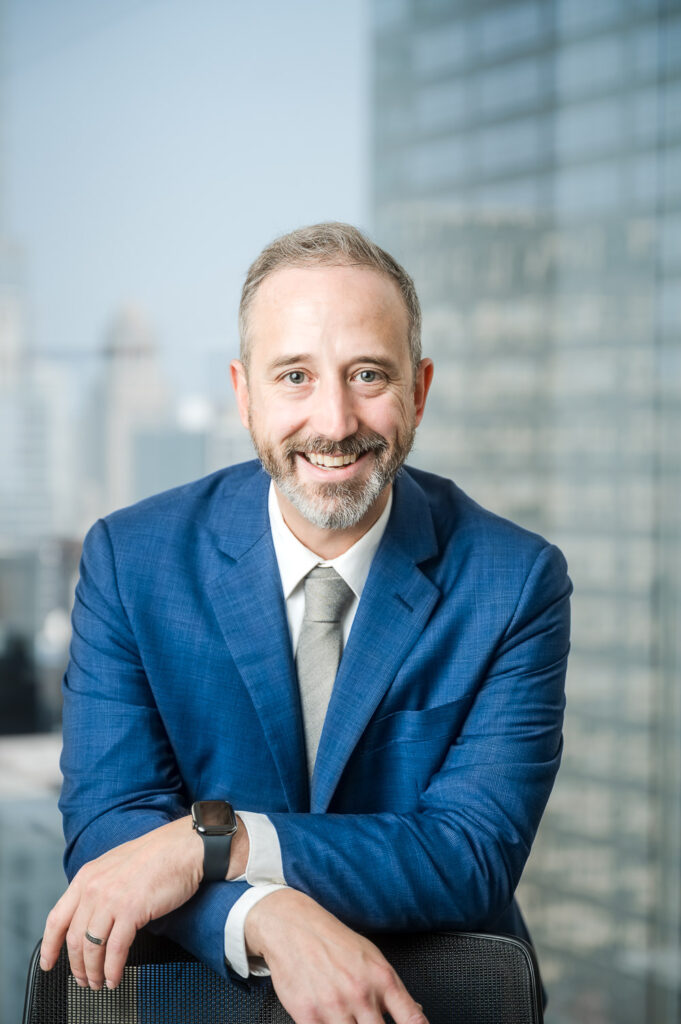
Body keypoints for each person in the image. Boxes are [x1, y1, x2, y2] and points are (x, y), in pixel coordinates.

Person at [40, 222, 571, 1024]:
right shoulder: (131, 559)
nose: (332, 420)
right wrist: (267, 916)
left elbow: (469, 854)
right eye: (294, 376)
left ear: (418, 391)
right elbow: (110, 833)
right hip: (197, 997)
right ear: (243, 392)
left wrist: (219, 845)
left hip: (433, 994)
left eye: (367, 374)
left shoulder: (515, 579)